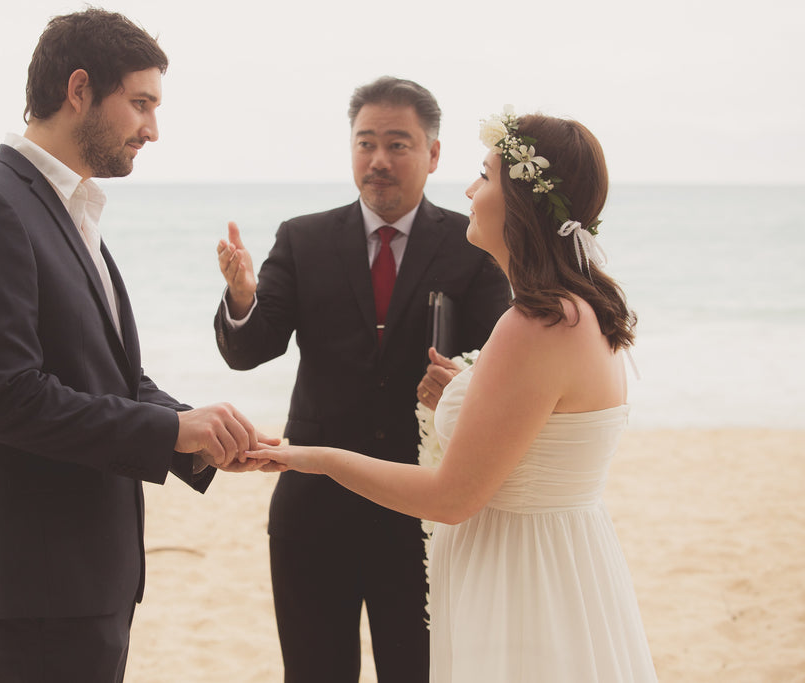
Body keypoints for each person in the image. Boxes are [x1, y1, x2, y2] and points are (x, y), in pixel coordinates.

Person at [0, 9, 273, 682]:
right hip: (38, 583)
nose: (153, 129)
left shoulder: (67, 209)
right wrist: (170, 427)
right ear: (78, 89)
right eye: (140, 104)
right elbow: (5, 397)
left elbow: (109, 375)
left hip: (84, 578)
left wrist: (203, 435)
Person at [248, 108, 658, 681]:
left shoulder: (534, 323)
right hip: (564, 561)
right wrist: (462, 400)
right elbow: (538, 430)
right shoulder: (582, 310)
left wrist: (307, 458)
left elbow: (451, 498)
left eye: (485, 176)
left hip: (518, 575)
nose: (469, 189)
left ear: (521, 198)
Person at [214, 77, 511, 682]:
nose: (378, 160)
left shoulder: (472, 244)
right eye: (365, 142)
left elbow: (501, 371)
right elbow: (250, 350)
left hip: (422, 506)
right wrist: (242, 297)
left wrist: (460, 385)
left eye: (398, 144)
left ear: (432, 154)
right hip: (313, 509)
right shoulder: (303, 238)